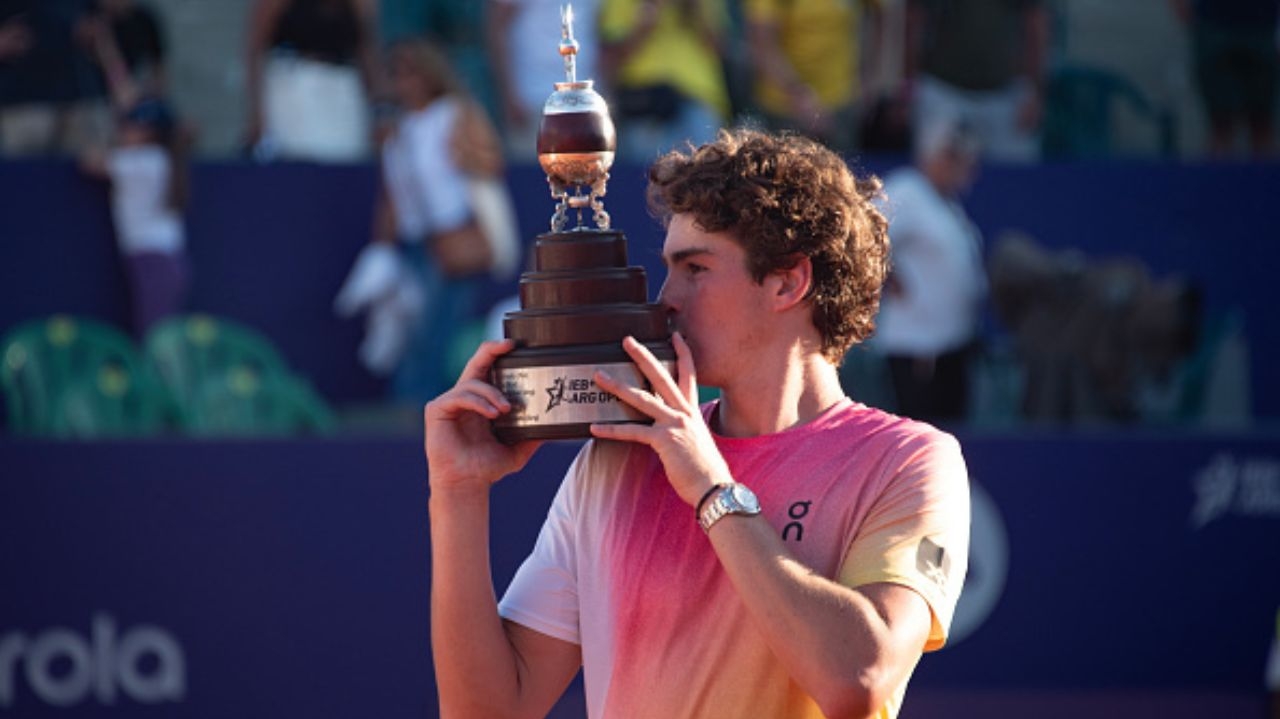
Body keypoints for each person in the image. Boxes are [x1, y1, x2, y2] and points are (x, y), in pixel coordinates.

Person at [426, 128, 970, 718]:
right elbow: (486, 712)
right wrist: (457, 494)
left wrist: (712, 489)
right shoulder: (617, 457)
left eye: (696, 269)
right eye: (669, 268)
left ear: (789, 281)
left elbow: (858, 679)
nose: (665, 299)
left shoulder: (910, 461)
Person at [334, 38, 517, 404]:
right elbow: (391, 196)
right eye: (397, 74)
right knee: (412, 331)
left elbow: (490, 162)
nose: (405, 82)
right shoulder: (397, 132)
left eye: (412, 72)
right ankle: (416, 407)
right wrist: (383, 248)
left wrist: (466, 151)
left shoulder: (456, 113)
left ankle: (429, 406)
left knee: (437, 330)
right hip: (415, 243)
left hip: (453, 236)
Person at [80, 13, 188, 337]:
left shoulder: (143, 161)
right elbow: (124, 93)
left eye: (134, 125)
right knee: (156, 332)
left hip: (154, 261)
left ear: (150, 133)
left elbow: (90, 162)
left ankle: (160, 388)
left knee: (155, 336)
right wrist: (105, 49)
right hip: (163, 260)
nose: (127, 129)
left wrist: (110, 135)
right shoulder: (160, 158)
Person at [873, 119, 986, 423]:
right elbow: (865, 232)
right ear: (939, 156)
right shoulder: (907, 191)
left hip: (953, 345)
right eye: (958, 158)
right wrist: (889, 275)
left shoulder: (946, 202)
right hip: (917, 349)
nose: (968, 169)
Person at [901, 0, 1048, 163]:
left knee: (1014, 177)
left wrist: (1034, 91)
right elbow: (914, 20)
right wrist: (909, 87)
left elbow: (1036, 24)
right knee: (933, 172)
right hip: (942, 91)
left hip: (1006, 94)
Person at [244, 0, 382, 162]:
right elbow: (256, 47)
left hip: (344, 91)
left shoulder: (360, 4)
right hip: (294, 86)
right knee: (300, 163)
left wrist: (380, 108)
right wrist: (257, 111)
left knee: (346, 161)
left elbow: (367, 50)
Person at [598, 0, 731, 162]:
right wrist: (647, 16)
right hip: (646, 101)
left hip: (698, 96)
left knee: (707, 173)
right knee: (647, 176)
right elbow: (611, 57)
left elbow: (720, 48)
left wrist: (693, 10)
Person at [744, 0, 883, 155]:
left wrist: (870, 78)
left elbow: (880, 15)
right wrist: (800, 96)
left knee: (842, 174)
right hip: (784, 110)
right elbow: (762, 46)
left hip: (842, 105)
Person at [486, 0, 601, 161]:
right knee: (532, 176)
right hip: (533, 98)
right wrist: (510, 95)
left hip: (586, 100)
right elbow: (497, 27)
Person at [1169, 0, 1279, 158]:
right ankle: (1217, 181)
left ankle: (1267, 182)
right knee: (1221, 126)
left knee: (1262, 124)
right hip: (1214, 27)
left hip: (1264, 27)